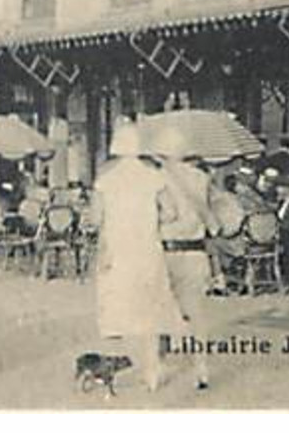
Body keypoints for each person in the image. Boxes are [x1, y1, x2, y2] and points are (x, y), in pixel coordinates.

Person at [92, 123, 177, 393]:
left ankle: (124, 372)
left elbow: (95, 220)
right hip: (149, 251)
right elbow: (172, 213)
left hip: (117, 253)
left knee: (120, 312)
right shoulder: (154, 177)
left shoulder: (105, 180)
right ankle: (151, 372)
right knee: (150, 312)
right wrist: (152, 220)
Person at [151, 129, 220, 391]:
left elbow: (158, 214)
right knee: (197, 314)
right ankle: (201, 370)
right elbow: (212, 212)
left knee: (158, 310)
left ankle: (157, 368)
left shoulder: (157, 179)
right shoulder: (202, 178)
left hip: (165, 252)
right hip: (196, 252)